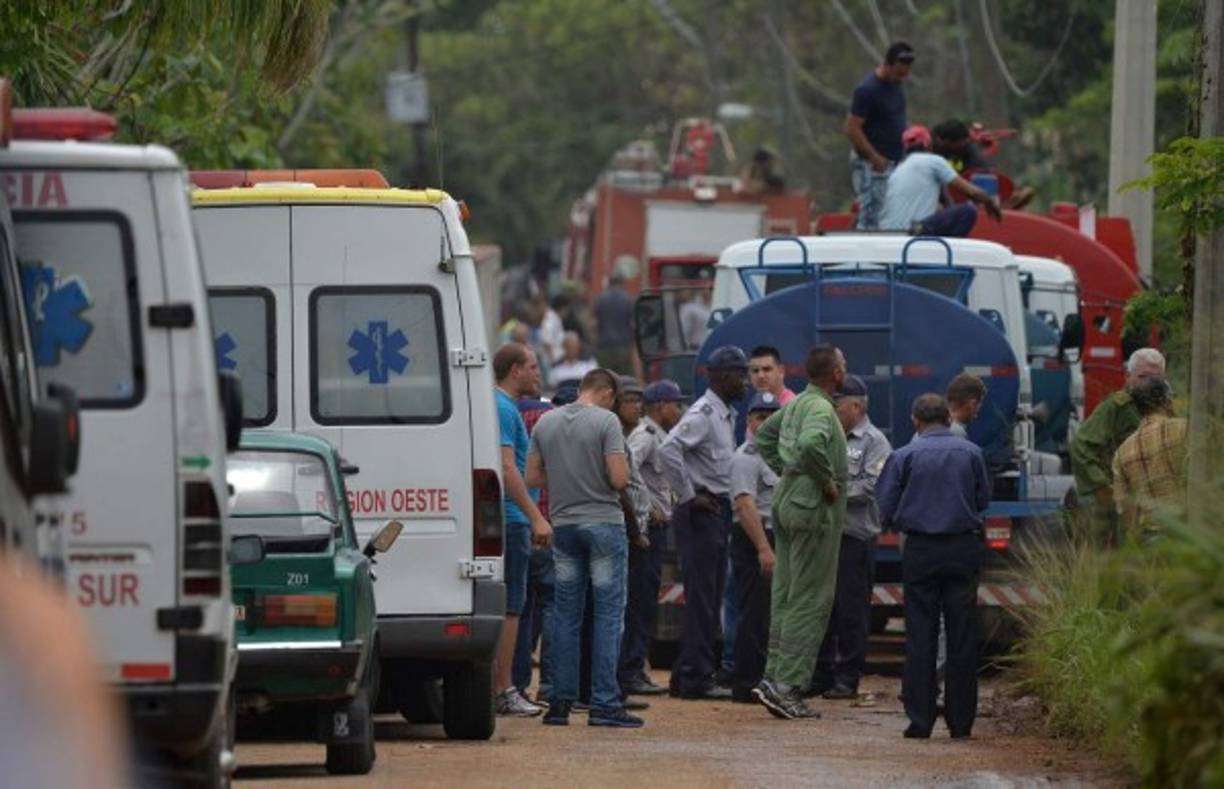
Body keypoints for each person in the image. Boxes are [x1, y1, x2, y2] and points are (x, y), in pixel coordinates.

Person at [526, 369, 642, 728]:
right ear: (606, 392)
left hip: (564, 525)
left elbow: (531, 477)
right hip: (603, 523)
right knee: (608, 615)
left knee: (566, 614)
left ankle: (560, 702)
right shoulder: (606, 422)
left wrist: (564, 478)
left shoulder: (545, 423)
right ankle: (605, 703)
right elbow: (620, 479)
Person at [877, 394, 992, 739]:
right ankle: (961, 722)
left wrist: (903, 521)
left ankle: (920, 719)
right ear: (947, 417)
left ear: (916, 421)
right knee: (961, 635)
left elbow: (885, 505)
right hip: (962, 546)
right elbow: (983, 499)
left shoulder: (903, 456)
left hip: (921, 550)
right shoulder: (972, 454)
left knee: (920, 635)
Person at [752, 343, 849, 720]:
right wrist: (822, 480)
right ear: (836, 374)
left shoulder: (795, 403)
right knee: (810, 599)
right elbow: (810, 444)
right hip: (812, 512)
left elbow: (764, 437)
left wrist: (788, 472)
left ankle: (772, 676)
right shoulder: (821, 408)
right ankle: (788, 686)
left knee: (787, 594)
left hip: (788, 503)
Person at [660, 346, 749, 700]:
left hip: (716, 511)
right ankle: (696, 677)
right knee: (702, 599)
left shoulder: (724, 414)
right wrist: (688, 495)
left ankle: (687, 673)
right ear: (722, 378)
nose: (745, 382)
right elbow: (669, 448)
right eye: (740, 375)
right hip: (702, 512)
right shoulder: (704, 413)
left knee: (709, 597)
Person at [813, 374, 892, 700]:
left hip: (854, 538)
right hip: (824, 538)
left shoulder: (876, 442)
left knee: (850, 611)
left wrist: (830, 489)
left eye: (837, 404)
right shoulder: (827, 437)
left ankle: (848, 677)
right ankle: (821, 674)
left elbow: (871, 487)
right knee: (822, 609)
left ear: (856, 405)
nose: (831, 410)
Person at [492, 343, 553, 717]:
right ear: (514, 370)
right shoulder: (501, 408)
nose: (537, 374)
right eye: (532, 367)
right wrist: (535, 516)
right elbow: (506, 467)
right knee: (511, 608)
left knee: (513, 605)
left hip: (515, 518)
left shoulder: (504, 407)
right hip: (512, 519)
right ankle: (504, 690)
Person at [620, 379, 686, 697]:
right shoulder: (645, 437)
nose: (680, 410)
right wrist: (647, 506)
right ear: (660, 406)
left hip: (658, 529)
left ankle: (636, 667)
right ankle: (630, 670)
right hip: (647, 529)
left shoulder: (661, 437)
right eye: (676, 404)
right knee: (640, 602)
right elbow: (625, 472)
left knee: (647, 602)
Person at [1069, 347, 1166, 545]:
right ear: (1128, 376)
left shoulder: (1164, 408)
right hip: (1122, 500)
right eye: (1143, 376)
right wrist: (1102, 487)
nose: (1149, 383)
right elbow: (1081, 445)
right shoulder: (1118, 407)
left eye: (1155, 378)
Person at [511, 388, 568, 704]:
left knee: (517, 609)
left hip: (515, 524)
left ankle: (515, 685)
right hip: (547, 523)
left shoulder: (504, 416)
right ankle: (549, 684)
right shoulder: (552, 420)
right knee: (553, 605)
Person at [728, 392, 782, 703]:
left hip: (775, 538)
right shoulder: (745, 457)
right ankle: (747, 682)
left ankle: (766, 678)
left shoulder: (780, 455)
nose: (765, 422)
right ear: (749, 421)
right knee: (755, 613)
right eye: (760, 416)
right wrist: (763, 548)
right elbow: (746, 505)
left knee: (771, 614)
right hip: (755, 539)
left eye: (771, 416)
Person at [877, 120, 1003, 237]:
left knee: (942, 212)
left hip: (890, 232)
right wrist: (990, 202)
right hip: (913, 230)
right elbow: (972, 192)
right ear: (928, 144)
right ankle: (947, 254)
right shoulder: (934, 161)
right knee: (967, 212)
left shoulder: (899, 169)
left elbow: (943, 203)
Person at [845, 41, 915, 230]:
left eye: (906, 74)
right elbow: (852, 128)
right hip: (872, 162)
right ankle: (863, 254)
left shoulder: (896, 86)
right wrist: (874, 157)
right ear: (887, 64)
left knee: (888, 211)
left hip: (894, 160)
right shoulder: (867, 90)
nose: (902, 78)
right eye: (899, 73)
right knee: (872, 213)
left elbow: (893, 118)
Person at [1111, 376, 1188, 542]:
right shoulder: (1185, 429)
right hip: (1186, 534)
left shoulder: (1122, 452)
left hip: (1150, 541)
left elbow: (1125, 508)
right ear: (1167, 401)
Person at [593, 270, 635, 374]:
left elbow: (594, 324)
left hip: (604, 347)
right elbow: (632, 325)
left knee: (606, 380)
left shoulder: (600, 299)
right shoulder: (628, 299)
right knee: (624, 381)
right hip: (622, 348)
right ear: (622, 283)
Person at [946, 372, 987, 438]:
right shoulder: (957, 432)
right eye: (979, 403)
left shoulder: (932, 426)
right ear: (972, 404)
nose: (979, 408)